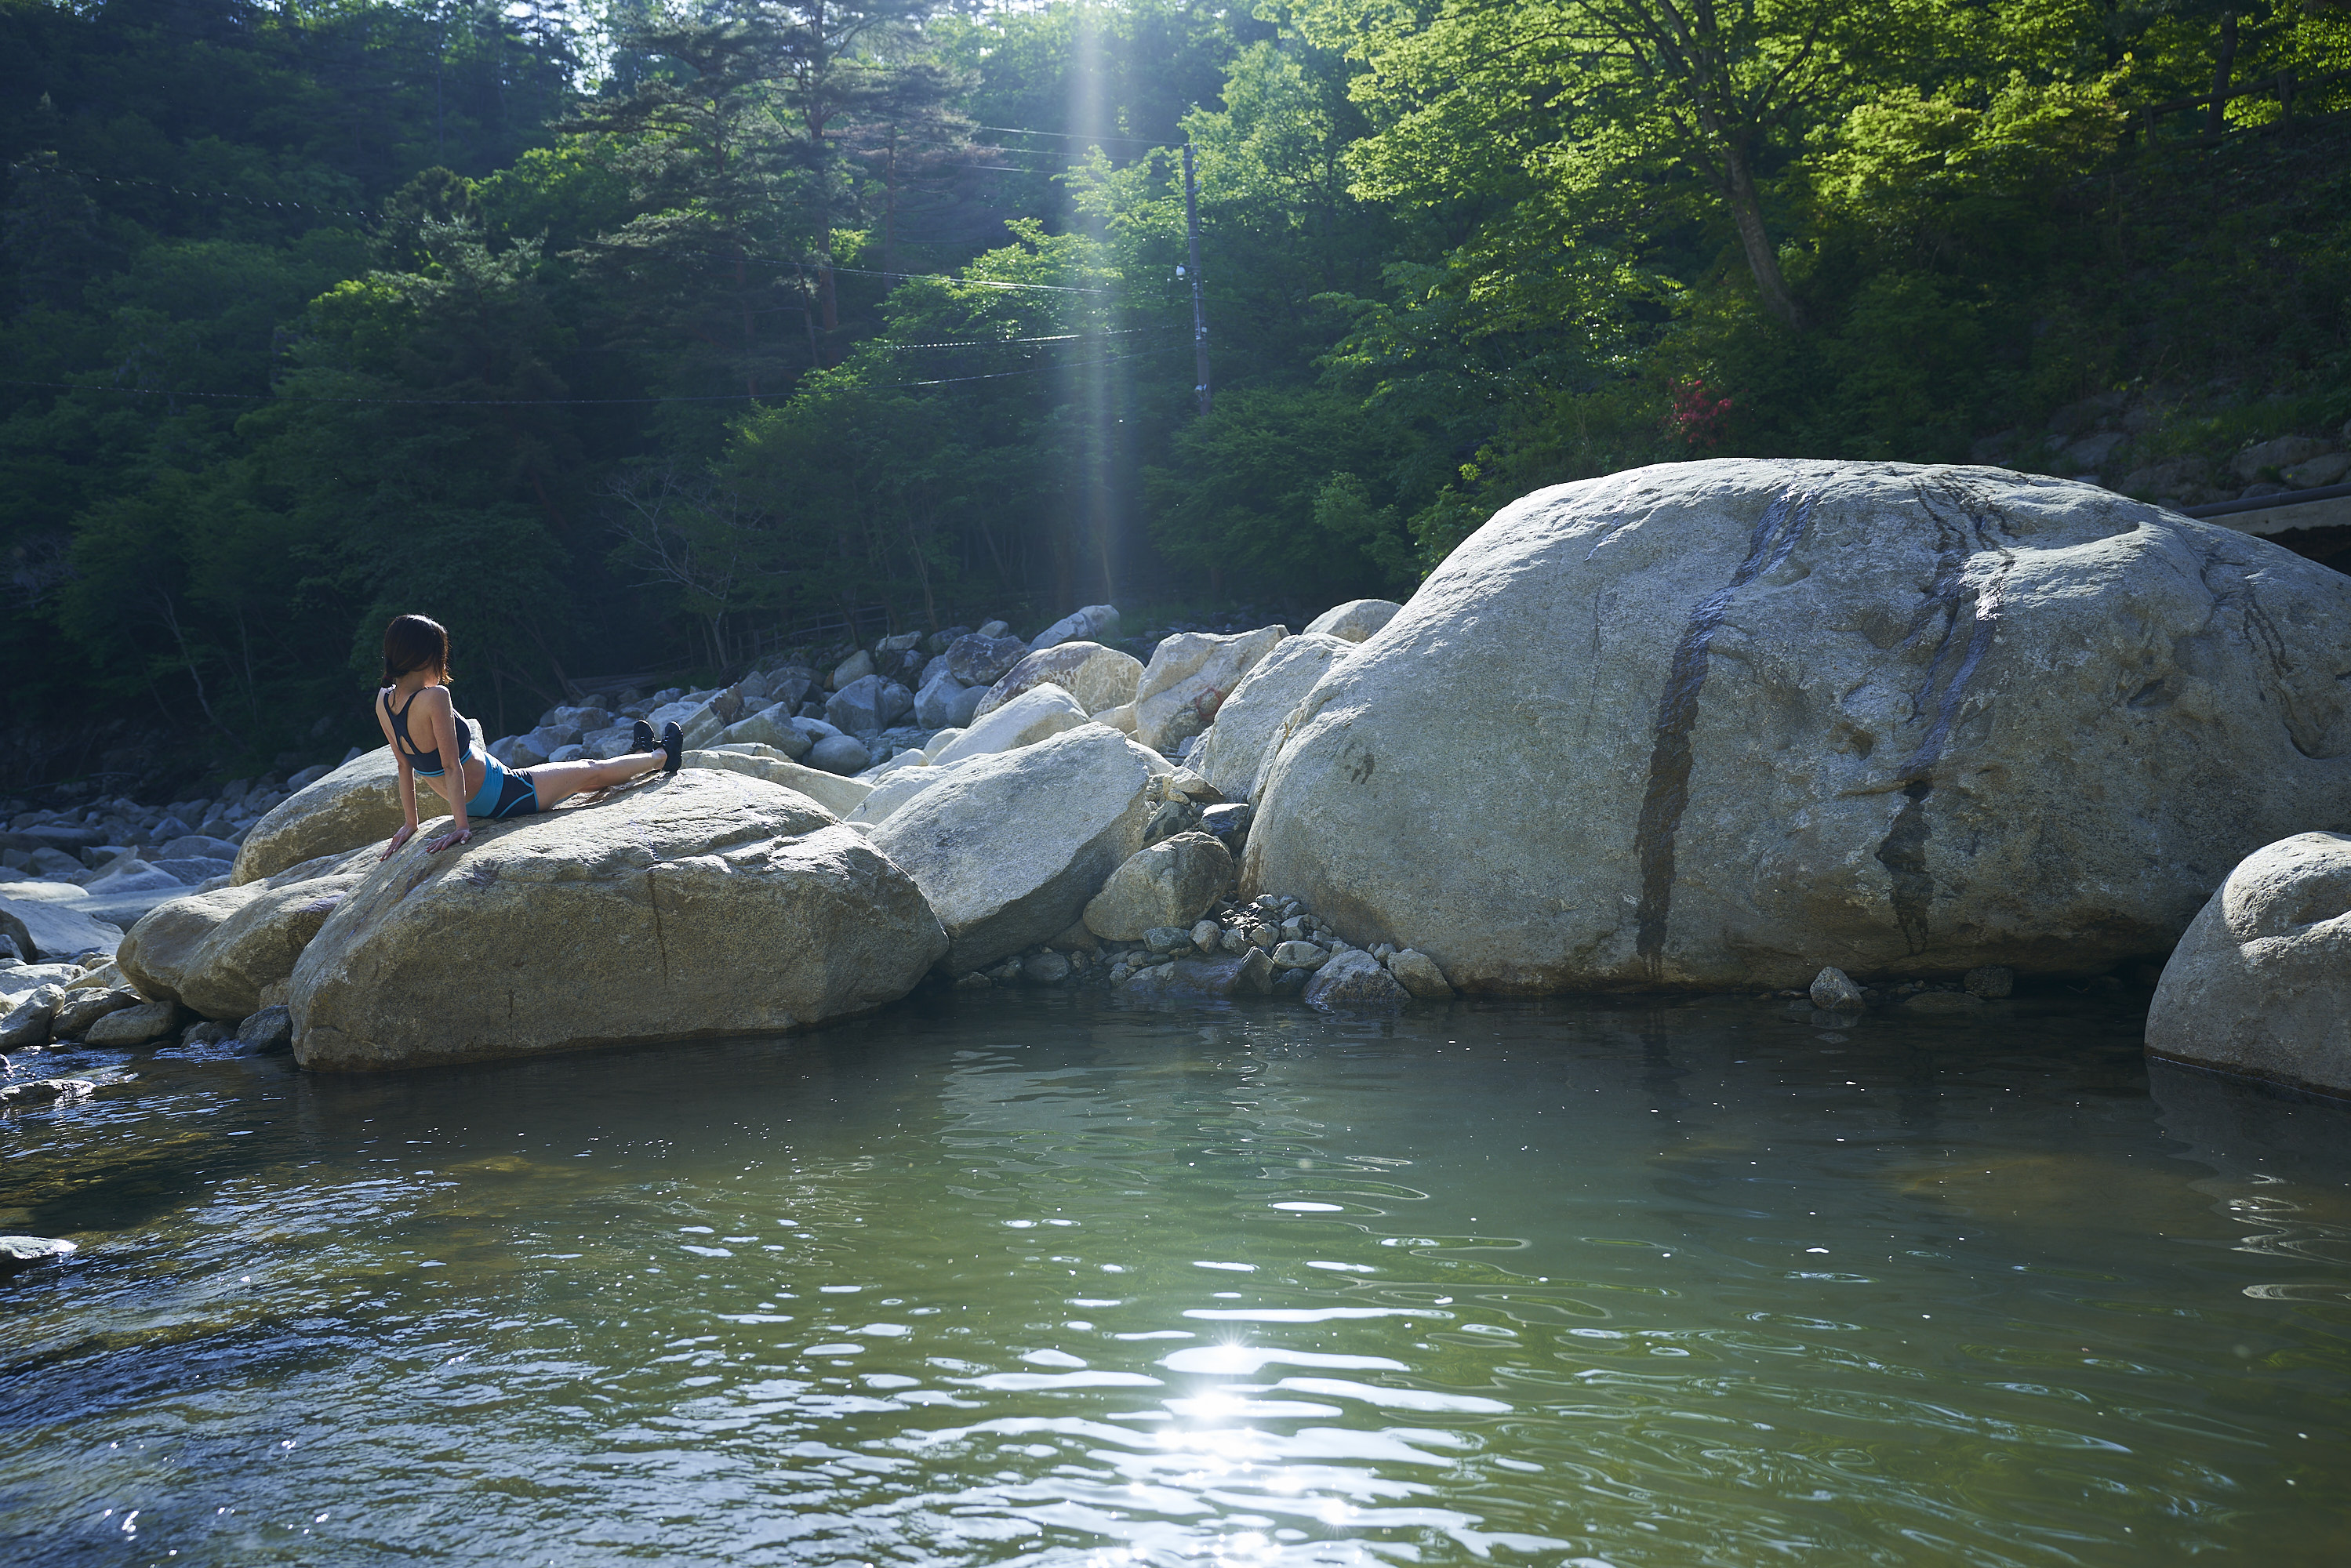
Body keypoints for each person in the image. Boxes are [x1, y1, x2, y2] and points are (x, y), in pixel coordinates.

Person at [373, 613, 681, 858]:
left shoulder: (384, 702)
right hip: (505, 793)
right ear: (426, 657)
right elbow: (452, 766)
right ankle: (662, 758)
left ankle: (638, 758)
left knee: (589, 783)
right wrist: (462, 827)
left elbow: (404, 767)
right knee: (590, 769)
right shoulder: (434, 697)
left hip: (492, 791)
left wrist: (411, 824)